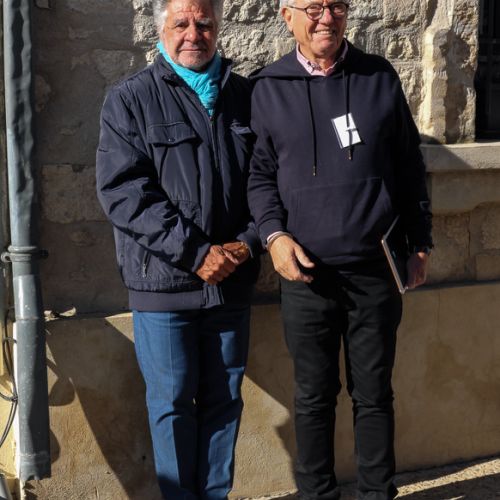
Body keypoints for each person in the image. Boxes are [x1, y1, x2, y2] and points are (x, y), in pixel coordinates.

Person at [248, 1, 433, 499]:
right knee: (313, 397)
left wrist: (420, 242)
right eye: (313, 7)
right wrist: (274, 237)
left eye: (336, 5)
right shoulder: (267, 87)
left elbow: (409, 165)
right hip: (306, 274)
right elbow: (259, 176)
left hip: (376, 270)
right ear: (287, 16)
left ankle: (377, 493)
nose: (326, 17)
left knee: (374, 395)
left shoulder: (378, 77)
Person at [96, 0, 260, 498]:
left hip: (230, 282)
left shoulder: (244, 96)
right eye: (181, 23)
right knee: (171, 405)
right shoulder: (130, 99)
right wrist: (195, 253)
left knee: (224, 401)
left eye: (204, 23)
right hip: (163, 284)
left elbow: (269, 183)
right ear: (161, 29)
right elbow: (124, 193)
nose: (194, 34)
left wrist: (248, 244)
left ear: (218, 28)